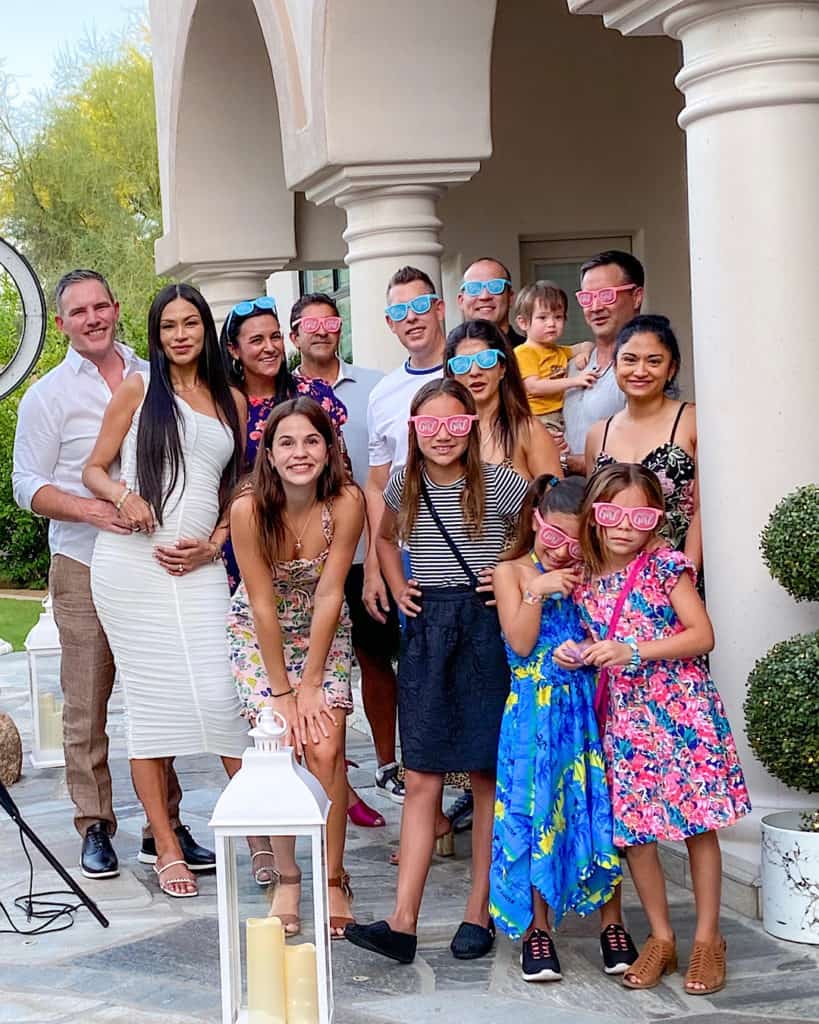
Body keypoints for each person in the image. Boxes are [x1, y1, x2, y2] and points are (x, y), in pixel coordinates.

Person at [12, 269, 213, 881]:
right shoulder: (46, 396)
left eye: (102, 306)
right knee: (87, 701)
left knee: (160, 694)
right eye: (79, 311)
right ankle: (95, 825)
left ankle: (165, 827)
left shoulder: (155, 376)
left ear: (117, 308)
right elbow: (27, 485)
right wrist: (91, 508)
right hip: (82, 560)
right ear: (61, 323)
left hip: (152, 559)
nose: (93, 318)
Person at [345, 379, 529, 965]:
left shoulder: (504, 483)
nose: (443, 437)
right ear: (414, 431)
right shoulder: (404, 483)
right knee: (421, 775)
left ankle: (479, 912)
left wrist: (508, 581)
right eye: (430, 427)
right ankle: (403, 922)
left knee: (484, 778)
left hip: (484, 631)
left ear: (471, 427)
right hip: (427, 633)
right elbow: (386, 538)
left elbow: (531, 539)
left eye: (455, 425)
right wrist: (397, 586)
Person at [555, 463, 751, 995]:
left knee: (696, 825)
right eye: (611, 513)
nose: (624, 526)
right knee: (636, 834)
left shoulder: (666, 565)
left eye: (639, 515)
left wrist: (633, 650)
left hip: (682, 711)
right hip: (624, 719)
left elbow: (702, 635)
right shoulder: (582, 579)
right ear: (593, 516)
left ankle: (708, 938)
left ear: (656, 519)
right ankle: (661, 937)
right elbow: (594, 640)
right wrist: (581, 654)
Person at [83, 282, 251, 898]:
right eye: (168, 327)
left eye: (191, 324)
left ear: (206, 331)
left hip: (200, 567)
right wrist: (125, 497)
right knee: (151, 710)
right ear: (155, 335)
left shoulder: (230, 399)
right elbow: (93, 469)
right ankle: (168, 847)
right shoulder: (138, 388)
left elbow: (241, 485)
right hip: (131, 568)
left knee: (221, 697)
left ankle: (256, 832)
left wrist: (215, 543)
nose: (180, 336)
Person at [226, 396, 365, 938]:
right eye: (286, 442)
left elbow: (332, 592)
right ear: (270, 452)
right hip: (261, 635)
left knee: (327, 746)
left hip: (323, 630)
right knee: (277, 749)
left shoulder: (347, 502)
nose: (300, 452)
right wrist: (284, 696)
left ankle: (333, 877)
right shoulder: (248, 509)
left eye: (311, 440)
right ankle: (288, 875)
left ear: (328, 450)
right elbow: (261, 605)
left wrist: (312, 686)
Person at [490, 475, 623, 983]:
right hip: (532, 713)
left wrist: (586, 650)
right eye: (555, 538)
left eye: (576, 541)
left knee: (599, 810)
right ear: (535, 521)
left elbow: (608, 634)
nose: (565, 551)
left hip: (587, 709)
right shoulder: (511, 572)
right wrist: (537, 590)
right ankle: (537, 930)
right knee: (534, 809)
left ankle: (613, 924)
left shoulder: (593, 573)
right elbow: (521, 645)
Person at [291, 293, 399, 829]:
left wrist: (380, 560)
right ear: (294, 336)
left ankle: (386, 764)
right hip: (306, 564)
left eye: (330, 321)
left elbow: (382, 475)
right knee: (311, 673)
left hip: (365, 551)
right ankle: (335, 784)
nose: (321, 331)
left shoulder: (377, 386)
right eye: (309, 324)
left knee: (376, 659)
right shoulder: (287, 396)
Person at [363, 265, 448, 802]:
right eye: (397, 313)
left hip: (475, 556)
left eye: (419, 307)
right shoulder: (384, 393)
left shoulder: (473, 371)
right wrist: (376, 564)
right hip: (412, 559)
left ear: (441, 309)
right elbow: (377, 484)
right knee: (420, 681)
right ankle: (429, 804)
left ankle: (476, 797)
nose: (410, 319)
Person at [219, 295, 348, 592]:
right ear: (234, 350)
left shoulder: (313, 394)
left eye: (275, 337)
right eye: (256, 340)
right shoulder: (224, 405)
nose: (269, 347)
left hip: (308, 545)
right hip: (246, 536)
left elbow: (341, 470)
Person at [584, 314, 701, 568]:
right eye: (629, 360)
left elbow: (705, 511)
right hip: (615, 577)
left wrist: (685, 572)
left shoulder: (693, 421)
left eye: (654, 361)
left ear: (671, 369)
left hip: (677, 571)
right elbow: (592, 516)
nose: (640, 371)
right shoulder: (597, 434)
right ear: (615, 366)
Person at [444, 320, 563, 481]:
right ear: (452, 375)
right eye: (461, 364)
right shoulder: (443, 433)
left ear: (502, 367)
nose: (474, 371)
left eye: (486, 359)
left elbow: (556, 502)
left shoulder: (528, 431)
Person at [562, 251, 645, 474]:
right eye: (587, 298)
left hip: (618, 501)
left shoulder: (644, 371)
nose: (595, 307)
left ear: (636, 297)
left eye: (606, 295)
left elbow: (644, 452)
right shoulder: (573, 366)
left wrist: (563, 461)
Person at [511, 281, 595, 437]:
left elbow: (588, 344)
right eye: (542, 318)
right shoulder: (524, 352)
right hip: (537, 418)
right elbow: (534, 387)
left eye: (558, 317)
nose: (551, 324)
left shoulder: (559, 351)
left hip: (560, 415)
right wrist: (575, 381)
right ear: (523, 322)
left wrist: (584, 353)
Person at [457, 256, 524, 348]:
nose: (484, 296)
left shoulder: (531, 355)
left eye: (495, 287)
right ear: (461, 301)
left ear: (510, 297)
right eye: (474, 288)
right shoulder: (451, 356)